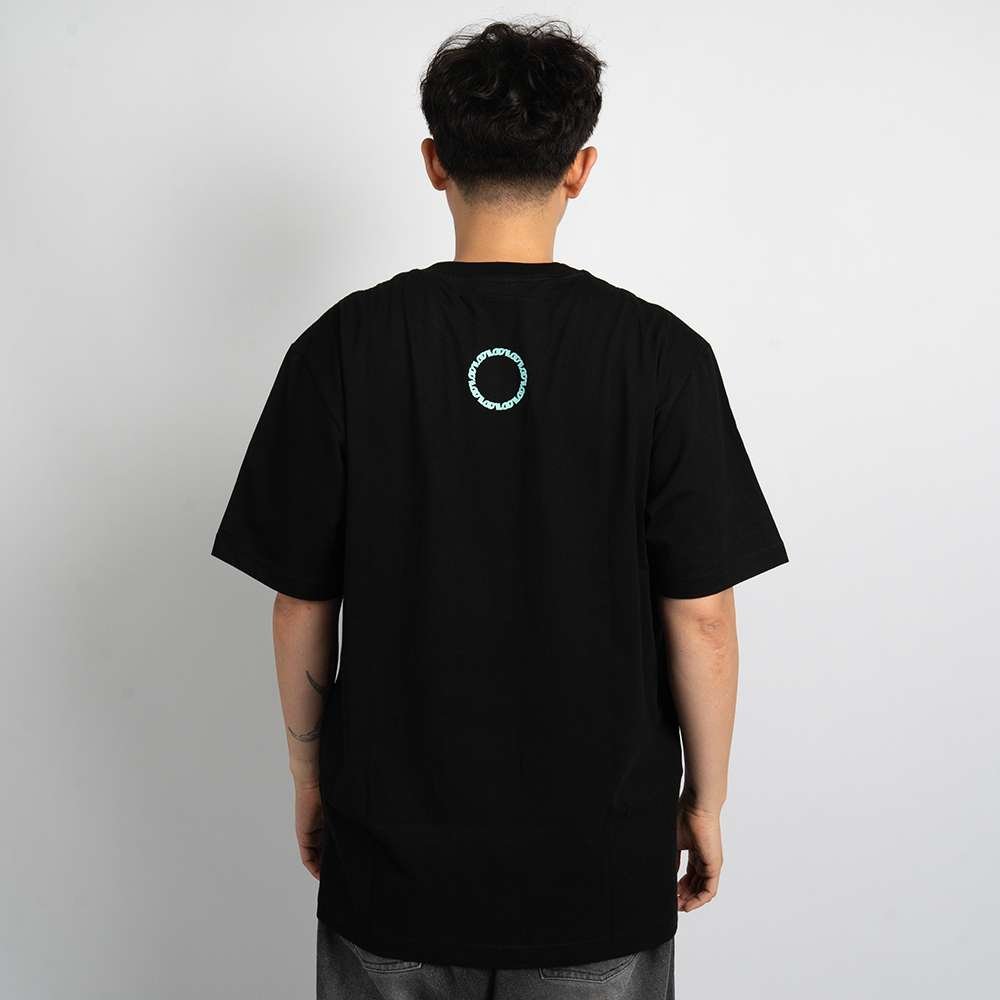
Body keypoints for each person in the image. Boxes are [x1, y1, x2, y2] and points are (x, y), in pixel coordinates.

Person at [211, 19, 789, 999]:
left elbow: (301, 602)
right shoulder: (661, 358)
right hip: (597, 867)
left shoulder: (343, 347)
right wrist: (707, 799)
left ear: (434, 162)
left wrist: (309, 780)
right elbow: (703, 616)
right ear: (581, 169)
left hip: (391, 861)